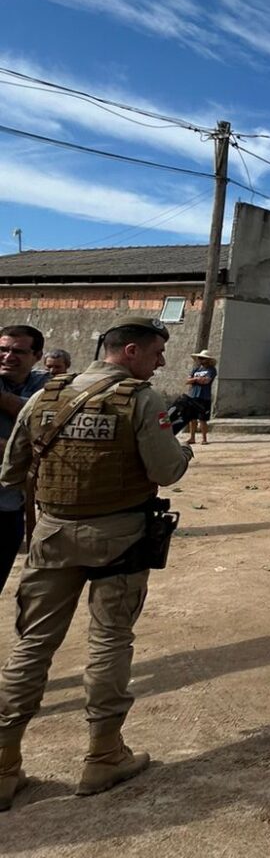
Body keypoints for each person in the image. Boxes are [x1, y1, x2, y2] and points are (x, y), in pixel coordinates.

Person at [0, 319, 192, 811]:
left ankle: (3, 765)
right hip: (120, 540)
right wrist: (183, 450)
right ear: (130, 352)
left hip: (52, 535)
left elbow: (11, 471)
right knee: (109, 640)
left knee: (32, 645)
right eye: (156, 353)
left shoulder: (46, 395)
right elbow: (166, 469)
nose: (161, 363)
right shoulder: (142, 400)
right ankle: (103, 755)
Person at [0, 326, 48, 593]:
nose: (8, 357)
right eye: (3, 349)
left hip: (11, 506)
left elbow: (43, 417)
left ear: (37, 355)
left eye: (18, 351)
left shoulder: (47, 386)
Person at [184, 349, 218, 447]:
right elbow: (187, 380)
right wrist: (197, 379)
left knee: (203, 419)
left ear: (208, 360)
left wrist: (194, 380)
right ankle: (192, 437)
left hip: (204, 396)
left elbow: (206, 381)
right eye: (200, 358)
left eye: (202, 358)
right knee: (192, 418)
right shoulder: (196, 369)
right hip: (193, 395)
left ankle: (204, 438)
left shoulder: (211, 370)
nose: (200, 360)